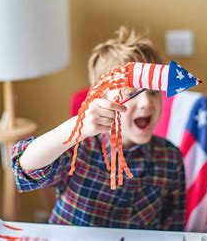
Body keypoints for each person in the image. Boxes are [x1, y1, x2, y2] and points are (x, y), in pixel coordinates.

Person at [12, 26, 185, 230]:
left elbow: (172, 228)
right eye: (131, 93)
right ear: (101, 99)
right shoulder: (81, 146)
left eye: (154, 92)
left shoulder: (170, 158)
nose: (147, 102)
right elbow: (25, 168)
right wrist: (77, 127)